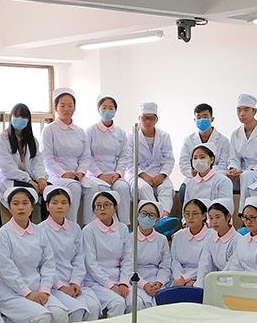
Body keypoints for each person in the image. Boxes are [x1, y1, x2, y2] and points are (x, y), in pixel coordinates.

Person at [0, 187, 67, 323]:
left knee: (61, 314)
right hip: (12, 294)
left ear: (32, 207)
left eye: (25, 203)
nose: (20, 207)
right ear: (9, 208)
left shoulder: (40, 231)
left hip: (38, 290)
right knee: (42, 317)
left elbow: (48, 263)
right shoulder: (2, 235)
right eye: (16, 204)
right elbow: (6, 269)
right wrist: (27, 293)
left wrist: (44, 289)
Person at [37, 186, 100, 322]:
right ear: (47, 206)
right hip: (52, 285)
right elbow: (43, 264)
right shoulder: (40, 230)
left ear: (69, 206)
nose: (59, 206)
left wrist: (75, 282)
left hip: (74, 283)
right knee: (76, 310)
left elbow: (79, 258)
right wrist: (61, 286)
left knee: (93, 307)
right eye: (55, 203)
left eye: (64, 203)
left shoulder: (75, 228)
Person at [42, 88, 92, 224]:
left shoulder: (80, 132)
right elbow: (46, 157)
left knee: (93, 187)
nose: (66, 109)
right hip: (56, 176)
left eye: (70, 105)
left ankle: (89, 225)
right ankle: (71, 225)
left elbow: (86, 156)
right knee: (74, 187)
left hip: (77, 175)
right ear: (55, 107)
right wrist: (63, 173)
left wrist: (81, 171)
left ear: (74, 108)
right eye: (62, 105)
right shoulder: (49, 130)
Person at [81, 190, 133, 318]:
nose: (102, 209)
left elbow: (128, 258)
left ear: (114, 207)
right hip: (96, 281)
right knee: (118, 303)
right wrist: (110, 286)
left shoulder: (122, 229)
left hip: (118, 278)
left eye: (106, 205)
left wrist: (123, 282)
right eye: (98, 206)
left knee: (135, 302)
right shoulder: (89, 230)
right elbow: (91, 263)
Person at [83, 95, 132, 224]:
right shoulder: (90, 131)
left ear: (115, 111)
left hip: (114, 175)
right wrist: (100, 174)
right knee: (106, 192)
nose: (107, 111)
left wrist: (118, 173)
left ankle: (124, 225)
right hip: (96, 175)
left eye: (111, 108)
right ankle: (103, 225)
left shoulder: (121, 133)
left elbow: (124, 156)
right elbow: (86, 155)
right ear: (98, 109)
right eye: (104, 107)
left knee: (123, 188)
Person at [0, 102, 49, 204]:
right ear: (11, 117)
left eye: (23, 117)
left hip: (30, 178)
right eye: (16, 116)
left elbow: (37, 163)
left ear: (28, 120)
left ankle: (46, 215)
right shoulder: (2, 139)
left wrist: (41, 178)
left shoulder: (32, 140)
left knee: (49, 190)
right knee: (31, 190)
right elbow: (8, 168)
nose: (19, 119)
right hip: (11, 179)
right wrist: (29, 180)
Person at [131, 102, 176, 216]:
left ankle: (164, 216)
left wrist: (162, 175)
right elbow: (129, 162)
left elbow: (169, 159)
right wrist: (144, 176)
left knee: (166, 187)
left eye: (151, 118)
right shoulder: (131, 136)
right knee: (144, 188)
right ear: (139, 118)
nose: (147, 121)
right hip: (137, 174)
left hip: (158, 173)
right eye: (144, 118)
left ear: (156, 119)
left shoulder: (164, 136)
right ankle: (155, 216)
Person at [130, 201, 171, 307]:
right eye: (144, 214)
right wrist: (144, 285)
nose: (147, 217)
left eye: (151, 215)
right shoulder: (129, 239)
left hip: (156, 281)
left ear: (157, 220)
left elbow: (165, 266)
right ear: (138, 215)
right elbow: (128, 267)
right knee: (137, 304)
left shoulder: (162, 239)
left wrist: (159, 282)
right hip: (135, 281)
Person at [178, 102, 232, 179]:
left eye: (205, 117)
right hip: (193, 178)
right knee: (184, 186)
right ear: (195, 120)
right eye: (199, 117)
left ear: (212, 119)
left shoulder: (223, 141)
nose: (202, 120)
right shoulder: (188, 140)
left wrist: (206, 172)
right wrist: (195, 173)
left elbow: (223, 165)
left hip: (215, 177)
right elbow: (183, 164)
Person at [194, 200, 243, 284]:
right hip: (216, 281)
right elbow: (204, 265)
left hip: (232, 282)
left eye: (217, 217)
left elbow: (232, 269)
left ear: (228, 216)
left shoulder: (238, 240)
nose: (214, 222)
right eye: (211, 218)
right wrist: (200, 287)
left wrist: (217, 285)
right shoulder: (210, 239)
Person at [168, 199, 211, 288]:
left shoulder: (212, 237)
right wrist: (180, 279)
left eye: (195, 213)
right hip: (178, 278)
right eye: (187, 214)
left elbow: (208, 266)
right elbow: (174, 261)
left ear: (204, 215)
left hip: (202, 277)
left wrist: (186, 279)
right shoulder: (178, 236)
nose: (190, 217)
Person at [182, 142, 233, 207]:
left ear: (211, 159)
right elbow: (186, 208)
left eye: (202, 157)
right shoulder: (190, 183)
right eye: (195, 158)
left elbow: (226, 206)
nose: (198, 161)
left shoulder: (223, 181)